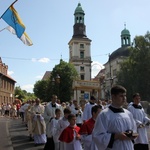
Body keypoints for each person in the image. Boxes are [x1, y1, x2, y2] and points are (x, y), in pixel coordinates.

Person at [92, 85, 138, 150]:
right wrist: (116, 136)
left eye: (125, 96)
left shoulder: (128, 113)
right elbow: (97, 136)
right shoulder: (104, 114)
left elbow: (134, 129)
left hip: (128, 146)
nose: (124, 98)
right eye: (121, 96)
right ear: (113, 97)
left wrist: (131, 134)